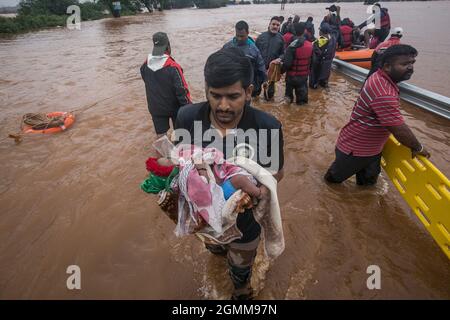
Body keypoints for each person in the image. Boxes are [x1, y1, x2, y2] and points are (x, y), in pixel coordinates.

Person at [174, 47, 285, 300]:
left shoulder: (268, 126)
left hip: (247, 221)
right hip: (206, 217)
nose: (223, 106)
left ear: (248, 92)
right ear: (206, 90)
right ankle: (220, 251)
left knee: (240, 269)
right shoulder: (187, 117)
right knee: (216, 249)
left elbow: (276, 174)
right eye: (215, 95)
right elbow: (180, 160)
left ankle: (242, 292)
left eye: (233, 96)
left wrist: (252, 192)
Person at [324, 45, 430, 185]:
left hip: (371, 149)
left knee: (367, 188)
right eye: (404, 64)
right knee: (332, 182)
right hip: (356, 150)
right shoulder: (384, 93)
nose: (410, 67)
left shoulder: (378, 76)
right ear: (386, 66)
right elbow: (397, 127)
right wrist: (418, 147)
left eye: (412, 63)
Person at [140, 32, 192, 137]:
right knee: (182, 136)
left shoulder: (145, 65)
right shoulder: (173, 67)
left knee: (161, 138)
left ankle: (163, 153)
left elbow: (146, 81)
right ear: (168, 46)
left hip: (155, 108)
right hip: (174, 108)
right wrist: (189, 110)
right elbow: (182, 91)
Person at [224, 20, 267, 98]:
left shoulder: (254, 49)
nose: (239, 38)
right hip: (232, 83)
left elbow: (261, 65)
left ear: (248, 33)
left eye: (242, 36)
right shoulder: (227, 47)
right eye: (237, 35)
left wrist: (264, 80)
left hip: (247, 84)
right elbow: (220, 62)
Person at [282, 22, 313, 105]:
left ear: (294, 31)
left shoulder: (291, 47)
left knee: (287, 100)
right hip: (303, 77)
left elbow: (287, 64)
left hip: (291, 78)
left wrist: (280, 71)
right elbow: (313, 62)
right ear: (304, 31)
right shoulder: (311, 46)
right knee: (302, 102)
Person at [255, 16, 285, 101]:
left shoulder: (281, 39)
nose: (275, 26)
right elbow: (254, 52)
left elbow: (283, 53)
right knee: (255, 91)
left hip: (272, 70)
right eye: (273, 24)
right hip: (260, 69)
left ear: (279, 27)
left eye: (277, 25)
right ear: (269, 24)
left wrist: (279, 59)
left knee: (270, 94)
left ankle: (269, 104)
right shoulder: (261, 37)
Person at [309, 23, 337, 89]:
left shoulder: (320, 41)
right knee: (324, 85)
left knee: (313, 87)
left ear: (321, 31)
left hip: (319, 66)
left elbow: (315, 54)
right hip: (327, 67)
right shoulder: (333, 39)